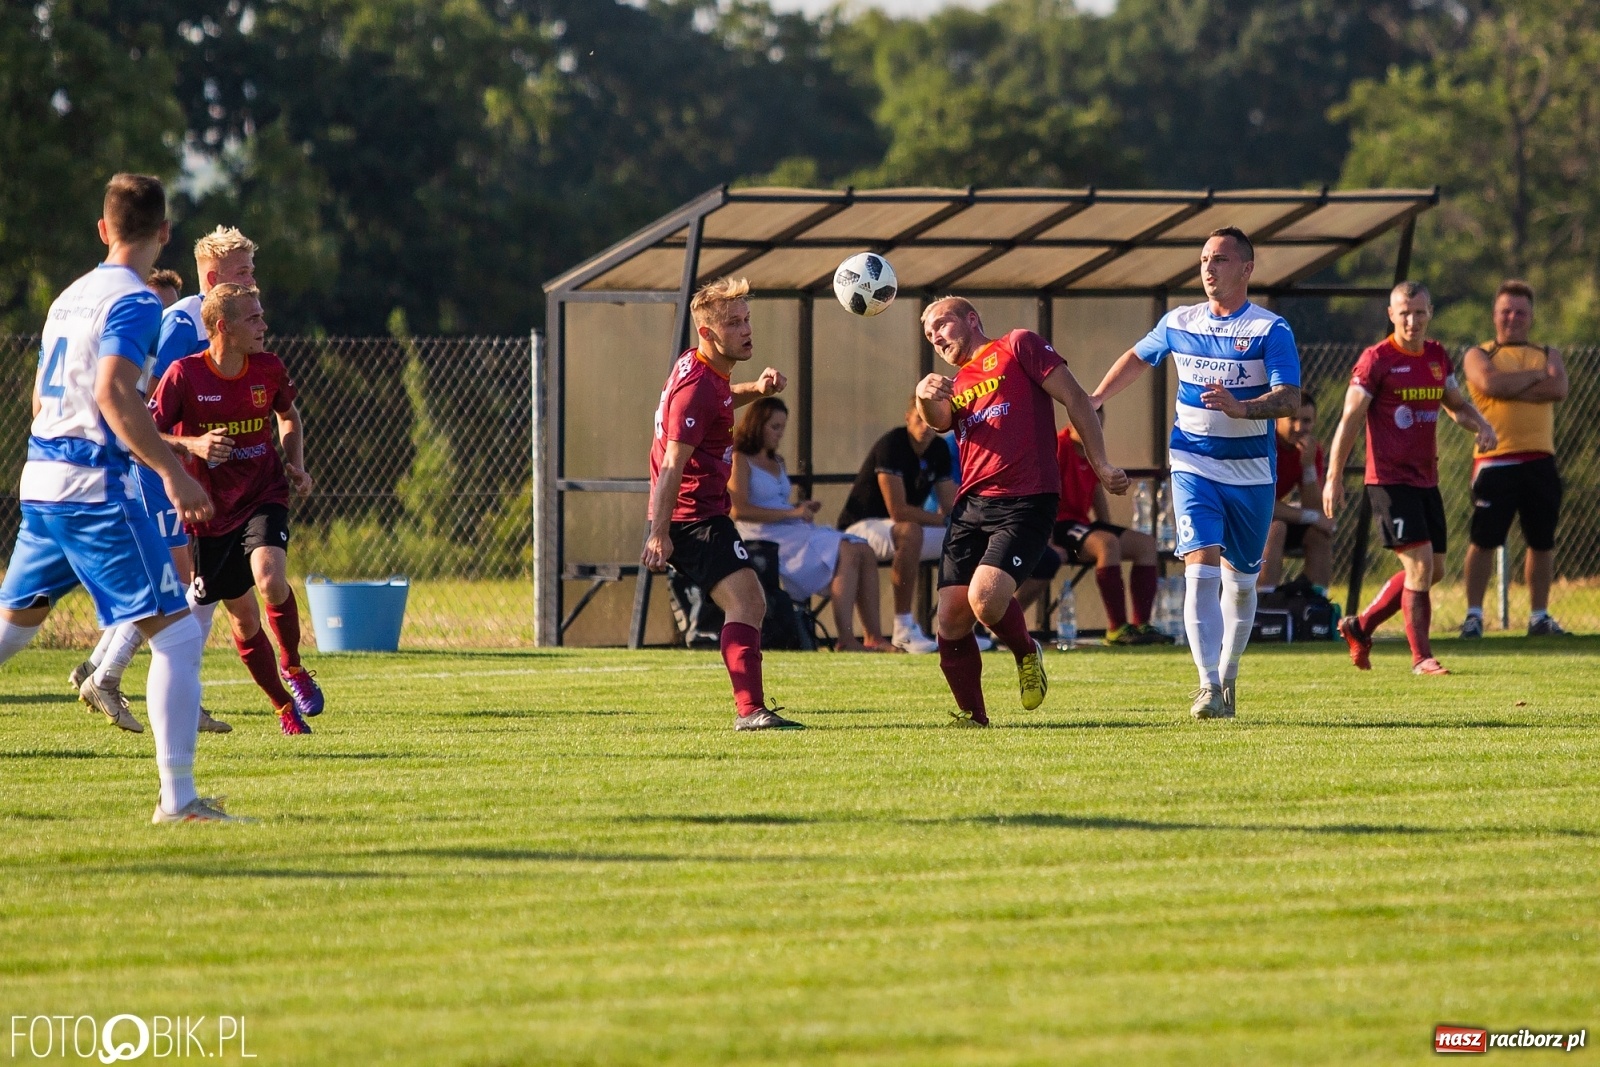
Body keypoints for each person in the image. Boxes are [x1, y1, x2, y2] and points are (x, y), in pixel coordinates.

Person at [0, 174, 242, 823]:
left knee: (14, 627)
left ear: (104, 230)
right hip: (91, 488)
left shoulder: (68, 298)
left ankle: (179, 795)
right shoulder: (135, 302)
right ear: (163, 232)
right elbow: (112, 392)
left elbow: (41, 400)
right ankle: (180, 799)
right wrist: (173, 471)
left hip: (41, 476)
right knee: (178, 634)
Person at [1091, 227, 1301, 720]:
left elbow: (1289, 398)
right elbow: (1137, 358)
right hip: (1192, 464)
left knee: (1242, 583)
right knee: (1199, 570)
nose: (1209, 268)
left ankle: (1228, 674)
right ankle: (1206, 686)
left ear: (1247, 269)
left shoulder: (1271, 330)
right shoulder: (1178, 321)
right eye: (1205, 258)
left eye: (1222, 260)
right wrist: (1098, 396)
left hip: (1251, 475)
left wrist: (1241, 408)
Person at [70, 226, 259, 732]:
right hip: (159, 471)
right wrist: (191, 448)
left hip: (195, 473)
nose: (253, 281)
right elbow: (146, 410)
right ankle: (110, 678)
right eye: (243, 272)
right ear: (215, 277)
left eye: (252, 271)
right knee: (180, 582)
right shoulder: (183, 325)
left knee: (195, 584)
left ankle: (117, 676)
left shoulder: (234, 321)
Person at [916, 297, 1127, 728]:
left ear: (971, 320)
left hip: (1027, 499)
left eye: (942, 324)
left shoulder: (1018, 345)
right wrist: (922, 397)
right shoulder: (955, 385)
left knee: (986, 600)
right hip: (971, 504)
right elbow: (937, 421)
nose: (936, 336)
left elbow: (1076, 398)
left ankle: (1027, 651)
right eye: (928, 334)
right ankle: (974, 718)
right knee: (951, 618)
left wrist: (1101, 462)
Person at [151, 282, 324, 735]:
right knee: (244, 618)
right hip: (209, 513)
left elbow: (288, 415)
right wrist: (193, 444)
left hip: (264, 492)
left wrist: (295, 463)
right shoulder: (185, 375)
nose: (264, 325)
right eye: (254, 318)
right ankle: (284, 708)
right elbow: (146, 434)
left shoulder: (268, 368)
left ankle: (293, 665)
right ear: (223, 326)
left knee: (270, 577)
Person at [643, 277, 801, 731]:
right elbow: (673, 462)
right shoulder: (696, 389)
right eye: (734, 323)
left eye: (747, 319)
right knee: (748, 602)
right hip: (692, 515)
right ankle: (750, 712)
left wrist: (757, 389)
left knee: (748, 602)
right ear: (708, 333)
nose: (747, 329)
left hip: (701, 510)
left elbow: (720, 400)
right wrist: (658, 531)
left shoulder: (702, 369)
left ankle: (751, 708)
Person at [1323, 281, 1496, 676]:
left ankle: (1360, 626)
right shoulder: (1376, 360)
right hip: (1388, 481)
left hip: (1426, 479)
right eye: (1404, 313)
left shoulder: (1436, 357)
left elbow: (1456, 406)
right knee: (1419, 566)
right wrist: (1334, 475)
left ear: (1429, 313)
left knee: (1432, 571)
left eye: (1419, 312)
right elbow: (1350, 420)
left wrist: (1481, 425)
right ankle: (1422, 659)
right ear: (1391, 315)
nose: (1412, 320)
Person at [729, 397, 891, 652]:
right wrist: (793, 513)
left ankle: (874, 636)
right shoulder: (740, 459)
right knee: (847, 550)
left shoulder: (777, 461)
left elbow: (777, 501)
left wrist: (800, 509)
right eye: (774, 427)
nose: (780, 434)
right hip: (765, 538)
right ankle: (846, 639)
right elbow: (739, 510)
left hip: (792, 530)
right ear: (757, 425)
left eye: (783, 427)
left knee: (865, 550)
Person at [1459, 280, 1569, 637]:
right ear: (1494, 315)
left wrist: (1515, 381)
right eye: (1506, 311)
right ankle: (1474, 616)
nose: (1513, 318)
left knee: (1542, 541)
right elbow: (1490, 385)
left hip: (1541, 460)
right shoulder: (1479, 354)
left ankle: (1539, 616)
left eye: (1520, 311)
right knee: (1484, 539)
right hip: (1495, 461)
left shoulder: (1548, 352)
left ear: (1531, 316)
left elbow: (1558, 388)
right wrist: (1535, 377)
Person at [836, 398, 956, 653]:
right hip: (860, 529)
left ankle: (958, 629)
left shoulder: (939, 449)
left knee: (969, 537)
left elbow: (950, 502)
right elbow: (898, 511)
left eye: (930, 420)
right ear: (907, 418)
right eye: (919, 419)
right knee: (910, 532)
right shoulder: (892, 444)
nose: (925, 426)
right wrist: (944, 520)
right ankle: (903, 628)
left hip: (904, 530)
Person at [1050, 417, 1168, 645]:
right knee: (1107, 544)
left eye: (1096, 422)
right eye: (1086, 421)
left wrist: (1107, 525)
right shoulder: (1059, 446)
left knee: (1146, 544)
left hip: (1083, 524)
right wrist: (1049, 540)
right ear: (1073, 421)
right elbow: (1047, 493)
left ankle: (1140, 624)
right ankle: (1116, 629)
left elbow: (1096, 492)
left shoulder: (1093, 449)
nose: (1092, 428)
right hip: (1060, 525)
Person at [1260, 395, 1334, 594]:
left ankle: (1315, 605)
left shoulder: (1311, 451)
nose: (1300, 427)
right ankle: (1265, 605)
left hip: (1274, 516)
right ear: (1277, 420)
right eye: (1293, 419)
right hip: (1243, 519)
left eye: (1307, 421)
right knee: (1277, 528)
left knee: (1320, 533)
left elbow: (1314, 508)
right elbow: (1263, 504)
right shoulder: (1264, 444)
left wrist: (1308, 466)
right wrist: (1314, 517)